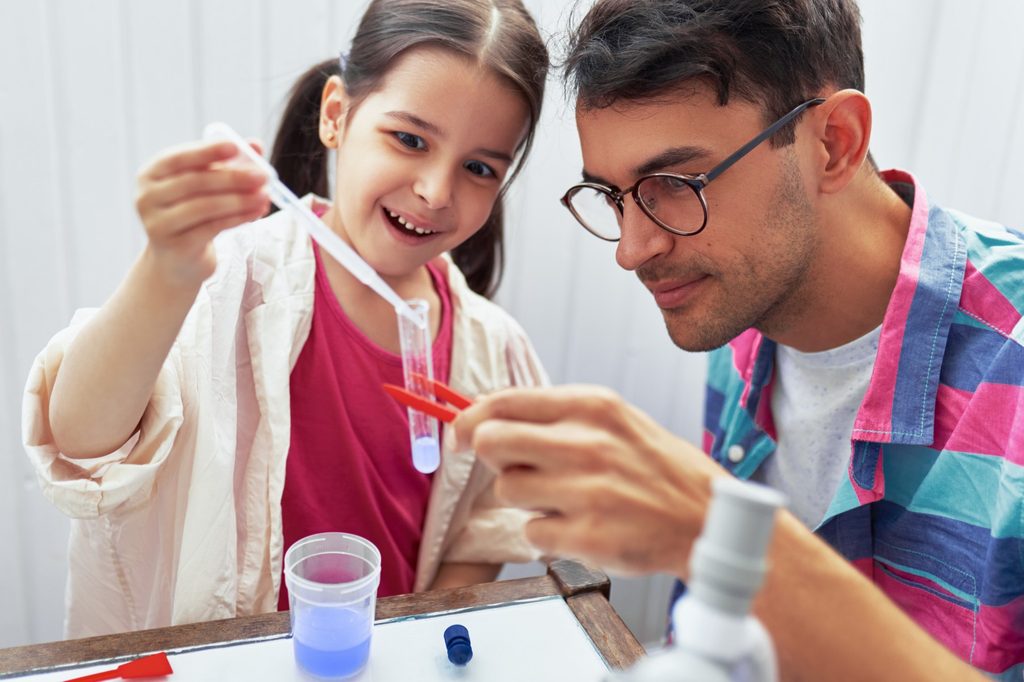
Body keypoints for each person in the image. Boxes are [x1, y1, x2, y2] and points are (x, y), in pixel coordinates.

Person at [453, 1, 1022, 680]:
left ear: (834, 142)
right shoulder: (741, 313)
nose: (633, 250)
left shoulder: (1009, 372)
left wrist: (715, 532)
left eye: (673, 185)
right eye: (613, 196)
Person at [22, 0, 550, 638]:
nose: (437, 190)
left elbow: (483, 526)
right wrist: (166, 270)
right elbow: (81, 440)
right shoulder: (228, 282)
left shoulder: (494, 349)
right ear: (336, 115)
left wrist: (406, 644)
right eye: (410, 139)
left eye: (479, 167)